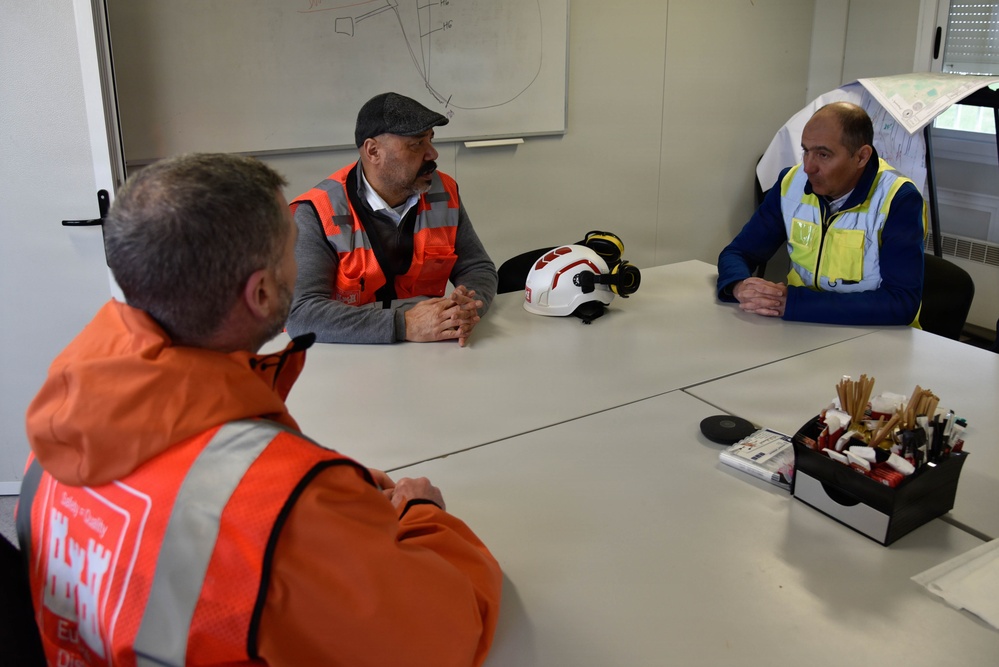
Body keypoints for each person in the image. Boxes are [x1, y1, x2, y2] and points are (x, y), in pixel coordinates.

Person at [17, 153, 501, 667]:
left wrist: (335, 498)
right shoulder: (284, 500)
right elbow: (442, 632)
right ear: (263, 291)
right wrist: (419, 511)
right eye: (292, 250)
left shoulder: (59, 428)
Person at [288, 92, 498, 345]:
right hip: (348, 360)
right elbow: (301, 314)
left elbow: (478, 267)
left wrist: (469, 305)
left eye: (431, 140)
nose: (433, 153)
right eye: (417, 144)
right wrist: (405, 325)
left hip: (430, 353)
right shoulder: (316, 212)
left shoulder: (443, 192)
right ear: (373, 151)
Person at [717, 101, 926, 326]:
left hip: (873, 336)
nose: (808, 167)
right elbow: (738, 252)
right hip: (801, 327)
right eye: (806, 151)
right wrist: (741, 286)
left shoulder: (898, 199)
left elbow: (901, 302)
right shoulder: (791, 183)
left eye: (823, 155)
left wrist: (794, 304)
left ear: (862, 157)